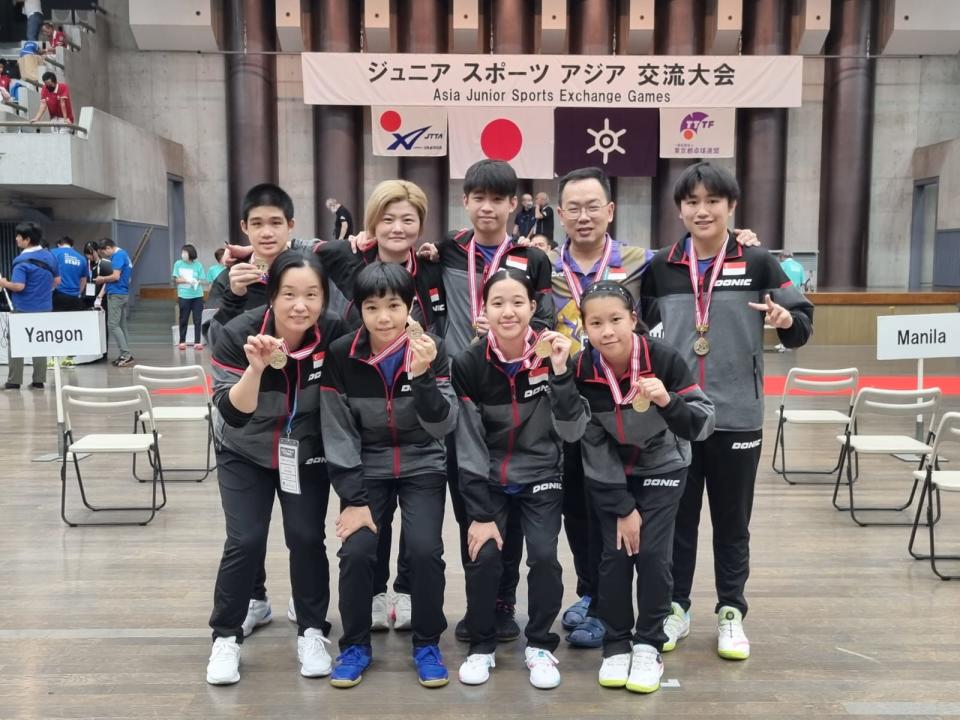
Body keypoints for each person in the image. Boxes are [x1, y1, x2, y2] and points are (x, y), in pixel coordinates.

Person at [641, 161, 814, 661]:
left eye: (712, 201)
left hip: (738, 414)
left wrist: (785, 318)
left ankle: (731, 612)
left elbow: (801, 321)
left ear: (730, 206)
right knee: (677, 521)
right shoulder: (662, 265)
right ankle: (676, 608)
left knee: (733, 520)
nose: (702, 210)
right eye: (691, 201)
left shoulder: (758, 262)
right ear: (679, 209)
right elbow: (635, 323)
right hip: (676, 417)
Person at [205, 250, 347, 686]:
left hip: (303, 452)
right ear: (272, 295)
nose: (299, 305)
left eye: (311, 294)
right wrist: (255, 368)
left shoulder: (336, 334)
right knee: (245, 540)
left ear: (324, 298)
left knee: (306, 537)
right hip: (243, 450)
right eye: (289, 294)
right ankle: (225, 637)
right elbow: (234, 412)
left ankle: (310, 630)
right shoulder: (236, 334)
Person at [315, 179, 447, 631]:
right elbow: (306, 260)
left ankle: (407, 590)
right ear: (371, 222)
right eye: (386, 218)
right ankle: (373, 593)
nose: (398, 227)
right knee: (373, 529)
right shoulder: (350, 260)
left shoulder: (432, 265)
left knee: (422, 534)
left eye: (407, 219)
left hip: (420, 400)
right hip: (360, 399)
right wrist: (353, 239)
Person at [435, 160, 556, 643]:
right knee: (474, 506)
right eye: (477, 196)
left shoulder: (533, 258)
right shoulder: (443, 251)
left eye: (497, 198)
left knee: (517, 516)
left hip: (516, 383)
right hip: (461, 383)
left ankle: (504, 603)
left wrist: (512, 328)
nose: (486, 206)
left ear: (514, 205)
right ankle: (482, 601)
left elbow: (545, 316)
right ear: (464, 201)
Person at [320, 262, 457, 688]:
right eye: (373, 307)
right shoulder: (342, 355)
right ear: (358, 309)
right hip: (367, 469)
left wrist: (422, 377)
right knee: (358, 552)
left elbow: (443, 424)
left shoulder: (431, 348)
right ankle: (356, 645)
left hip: (422, 464)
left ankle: (427, 644)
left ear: (410, 305)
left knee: (424, 551)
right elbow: (337, 431)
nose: (384, 317)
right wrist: (354, 499)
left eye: (394, 305)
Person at [574, 281, 714, 693]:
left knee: (652, 554)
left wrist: (669, 402)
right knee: (614, 556)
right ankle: (616, 645)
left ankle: (648, 644)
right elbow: (592, 442)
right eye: (596, 323)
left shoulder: (663, 358)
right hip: (612, 474)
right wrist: (621, 506)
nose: (608, 331)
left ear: (634, 319)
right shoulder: (583, 369)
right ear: (584, 327)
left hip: (664, 466)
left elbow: (703, 424)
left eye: (616, 319)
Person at [453, 268, 586, 689]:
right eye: (497, 303)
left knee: (545, 556)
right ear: (484, 310)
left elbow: (571, 430)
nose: (507, 312)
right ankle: (481, 645)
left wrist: (562, 373)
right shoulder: (469, 363)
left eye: (517, 302)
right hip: (490, 477)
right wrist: (478, 510)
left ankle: (541, 645)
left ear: (533, 307)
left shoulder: (556, 353)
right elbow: (469, 442)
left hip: (542, 473)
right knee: (486, 555)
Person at [0, 221, 59, 390]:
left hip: (23, 308)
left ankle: (14, 381)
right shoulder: (50, 256)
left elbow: (19, 286)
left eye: (19, 236)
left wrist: (4, 283)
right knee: (39, 343)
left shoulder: (21, 260)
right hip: (45, 307)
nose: (16, 239)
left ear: (27, 239)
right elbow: (57, 281)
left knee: (17, 344)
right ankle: (39, 381)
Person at [94, 238, 133, 367]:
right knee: (121, 325)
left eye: (105, 253)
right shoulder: (123, 255)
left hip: (117, 294)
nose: (105, 256)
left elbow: (115, 277)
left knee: (112, 325)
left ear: (108, 248)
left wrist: (101, 279)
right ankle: (126, 354)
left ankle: (125, 354)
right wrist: (101, 295)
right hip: (120, 293)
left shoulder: (118, 256)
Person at [172, 243, 206, 350]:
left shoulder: (198, 265)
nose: (183, 254)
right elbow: (176, 279)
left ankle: (197, 341)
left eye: (185, 252)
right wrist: (187, 280)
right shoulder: (178, 264)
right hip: (184, 295)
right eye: (182, 252)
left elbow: (202, 279)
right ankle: (182, 341)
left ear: (190, 254)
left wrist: (196, 281)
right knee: (183, 318)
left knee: (197, 319)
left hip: (197, 296)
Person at [51, 236, 88, 311]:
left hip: (58, 294)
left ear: (58, 244)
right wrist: (78, 293)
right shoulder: (81, 258)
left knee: (57, 321)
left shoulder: (53, 252)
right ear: (72, 246)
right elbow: (83, 279)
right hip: (75, 297)